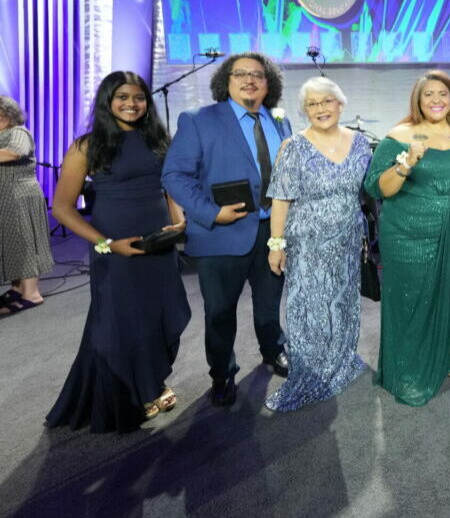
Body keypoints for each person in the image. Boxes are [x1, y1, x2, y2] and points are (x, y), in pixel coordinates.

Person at [46, 71, 191, 432]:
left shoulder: (158, 138)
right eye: (122, 97)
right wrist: (106, 245)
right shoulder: (88, 146)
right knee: (120, 324)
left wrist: (178, 218)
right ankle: (126, 395)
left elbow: (170, 185)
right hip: (114, 247)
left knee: (159, 316)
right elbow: (62, 208)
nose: (131, 104)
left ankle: (151, 384)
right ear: (108, 101)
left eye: (139, 97)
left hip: (158, 245)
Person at [162, 52, 291, 407]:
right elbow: (174, 176)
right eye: (241, 74)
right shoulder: (199, 120)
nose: (250, 80)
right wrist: (210, 213)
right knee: (219, 312)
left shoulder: (281, 121)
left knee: (269, 304)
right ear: (226, 80)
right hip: (220, 235)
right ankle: (222, 372)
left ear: (269, 84)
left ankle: (273, 350)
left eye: (258, 75)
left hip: (272, 234)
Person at [264, 77, 372, 411]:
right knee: (308, 308)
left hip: (347, 240)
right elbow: (280, 199)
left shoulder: (361, 143)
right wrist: (276, 244)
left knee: (342, 303)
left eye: (326, 101)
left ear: (340, 105)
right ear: (304, 110)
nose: (320, 109)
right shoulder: (293, 146)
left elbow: (371, 190)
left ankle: (339, 361)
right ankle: (310, 374)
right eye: (312, 104)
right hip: (307, 242)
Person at [363, 70, 450, 406]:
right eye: (429, 95)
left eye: (443, 94)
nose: (436, 100)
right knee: (410, 299)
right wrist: (406, 164)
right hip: (407, 234)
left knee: (448, 295)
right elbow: (377, 188)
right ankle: (406, 368)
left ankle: (444, 354)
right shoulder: (400, 135)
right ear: (418, 100)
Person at [0, 96, 54, 315]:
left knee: (24, 242)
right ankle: (17, 288)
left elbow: (14, 153)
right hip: (6, 197)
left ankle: (32, 294)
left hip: (20, 195)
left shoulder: (19, 132)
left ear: (7, 114)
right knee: (11, 242)